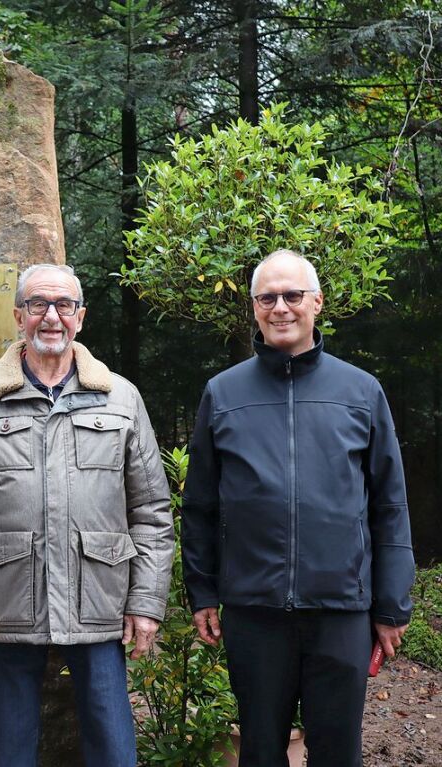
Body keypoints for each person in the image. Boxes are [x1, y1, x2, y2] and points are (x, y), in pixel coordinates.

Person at [0, 263, 174, 767]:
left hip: (100, 601)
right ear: (18, 315)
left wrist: (147, 602)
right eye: (38, 304)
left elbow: (150, 510)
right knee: (11, 750)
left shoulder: (120, 397)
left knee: (113, 747)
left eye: (64, 305)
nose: (51, 316)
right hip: (7, 604)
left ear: (80, 317)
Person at [181, 249, 415, 767]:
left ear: (317, 303)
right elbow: (198, 505)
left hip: (341, 610)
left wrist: (391, 603)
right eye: (267, 297)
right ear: (254, 307)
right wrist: (202, 590)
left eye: (292, 295)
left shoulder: (361, 391)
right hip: (254, 611)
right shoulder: (222, 394)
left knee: (337, 750)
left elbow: (389, 505)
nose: (280, 307)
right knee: (261, 751)